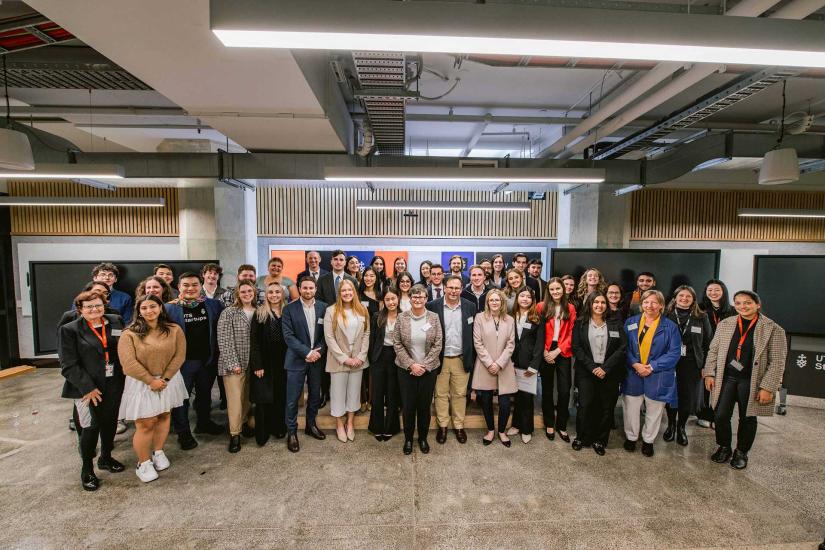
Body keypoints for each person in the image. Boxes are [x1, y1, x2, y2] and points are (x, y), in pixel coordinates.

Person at [704, 290, 787, 470]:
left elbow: (777, 362)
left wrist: (768, 387)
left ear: (758, 305)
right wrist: (709, 373)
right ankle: (724, 447)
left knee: (747, 417)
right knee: (720, 415)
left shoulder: (773, 329)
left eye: (748, 302)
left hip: (751, 380)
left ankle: (741, 452)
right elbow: (713, 350)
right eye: (739, 303)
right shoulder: (726, 324)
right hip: (727, 378)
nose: (743, 306)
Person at [59, 290, 126, 491]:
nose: (94, 309)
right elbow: (68, 364)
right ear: (80, 309)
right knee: (90, 427)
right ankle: (87, 469)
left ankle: (106, 457)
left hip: (113, 382)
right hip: (85, 388)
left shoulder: (115, 321)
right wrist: (88, 388)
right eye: (89, 307)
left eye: (98, 305)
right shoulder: (70, 330)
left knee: (110, 421)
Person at [117, 295, 187, 483]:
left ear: (160, 307)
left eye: (153, 306)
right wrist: (150, 381)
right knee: (146, 423)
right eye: (144, 308)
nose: (149, 311)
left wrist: (165, 378)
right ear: (139, 311)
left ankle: (158, 451)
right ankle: (143, 463)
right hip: (142, 382)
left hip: (168, 380)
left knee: (164, 415)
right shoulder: (129, 333)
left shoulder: (174, 329)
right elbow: (128, 363)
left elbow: (179, 355)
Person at [165, 272, 225, 450]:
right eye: (186, 285)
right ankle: (184, 433)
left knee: (205, 394)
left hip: (207, 360)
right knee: (182, 399)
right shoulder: (169, 309)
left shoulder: (214, 305)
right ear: (179, 287)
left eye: (194, 285)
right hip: (183, 363)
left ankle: (204, 423)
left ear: (200, 286)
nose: (190, 288)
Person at [622, 289, 681, 457]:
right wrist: (635, 364)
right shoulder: (631, 322)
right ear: (641, 304)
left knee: (654, 410)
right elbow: (623, 347)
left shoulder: (670, 327)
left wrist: (651, 367)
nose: (650, 305)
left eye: (654, 302)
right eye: (646, 302)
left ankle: (648, 441)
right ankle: (631, 437)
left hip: (658, 374)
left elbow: (674, 353)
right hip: (633, 372)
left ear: (661, 305)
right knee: (631, 408)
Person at [571, 291, 627, 456]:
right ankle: (581, 437)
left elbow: (622, 347)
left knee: (606, 408)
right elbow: (576, 348)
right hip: (586, 370)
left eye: (602, 302)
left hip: (609, 371)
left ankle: (600, 440)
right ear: (590, 304)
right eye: (596, 302)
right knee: (585, 405)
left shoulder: (615, 322)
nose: (599, 305)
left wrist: (605, 368)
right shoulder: (580, 323)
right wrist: (592, 367)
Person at [426, 275, 477, 445]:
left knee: (460, 394)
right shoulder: (432, 306)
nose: (454, 291)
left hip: (461, 358)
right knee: (440, 394)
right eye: (450, 287)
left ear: (461, 289)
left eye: (457, 288)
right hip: (439, 358)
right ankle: (442, 426)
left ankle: (459, 426)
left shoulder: (470, 306)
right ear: (444, 288)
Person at [393, 284, 443, 455]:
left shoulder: (434, 317)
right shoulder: (401, 317)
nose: (418, 299)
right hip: (406, 370)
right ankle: (408, 439)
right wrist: (411, 365)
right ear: (410, 299)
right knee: (408, 407)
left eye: (421, 296)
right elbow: (397, 343)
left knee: (424, 406)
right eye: (414, 296)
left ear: (426, 298)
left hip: (428, 371)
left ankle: (422, 438)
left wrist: (424, 366)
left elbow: (438, 343)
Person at [282, 275, 328, 453]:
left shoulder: (324, 308)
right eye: (305, 288)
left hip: (317, 360)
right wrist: (307, 353)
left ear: (315, 289)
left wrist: (318, 353)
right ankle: (292, 432)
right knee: (292, 399)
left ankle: (311, 425)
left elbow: (327, 335)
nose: (308, 291)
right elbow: (288, 336)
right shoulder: (289, 309)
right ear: (299, 289)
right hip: (296, 360)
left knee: (315, 396)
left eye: (311, 288)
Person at [663, 286, 712, 446]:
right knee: (671, 395)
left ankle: (681, 427)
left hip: (692, 364)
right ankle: (670, 425)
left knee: (686, 397)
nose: (684, 299)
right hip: (669, 362)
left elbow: (708, 343)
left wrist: (706, 366)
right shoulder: (666, 315)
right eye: (681, 296)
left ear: (693, 299)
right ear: (675, 298)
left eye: (688, 296)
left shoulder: (701, 317)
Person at [324, 279, 370, 443]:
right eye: (343, 290)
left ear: (354, 292)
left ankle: (350, 423)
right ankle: (339, 424)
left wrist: (361, 356)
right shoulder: (331, 311)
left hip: (358, 360)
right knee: (337, 394)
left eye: (349, 290)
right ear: (339, 293)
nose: (347, 293)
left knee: (354, 393)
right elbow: (329, 338)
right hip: (338, 359)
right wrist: (344, 359)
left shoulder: (362, 309)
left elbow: (367, 334)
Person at [472, 289, 516, 447]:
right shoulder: (479, 318)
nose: (494, 302)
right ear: (487, 302)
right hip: (485, 365)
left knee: (505, 402)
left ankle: (502, 431)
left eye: (497, 300)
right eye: (491, 300)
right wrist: (490, 363)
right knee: (486, 399)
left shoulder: (509, 320)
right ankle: (490, 430)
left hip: (504, 365)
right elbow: (477, 342)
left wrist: (499, 363)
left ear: (502, 302)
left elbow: (511, 344)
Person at [217, 281, 257, 453]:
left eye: (249, 291)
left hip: (252, 364)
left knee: (246, 398)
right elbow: (224, 340)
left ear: (254, 292)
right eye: (243, 291)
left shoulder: (258, 311)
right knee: (235, 401)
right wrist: (233, 363)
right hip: (234, 365)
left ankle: (244, 423)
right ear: (238, 294)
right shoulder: (229, 312)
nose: (247, 294)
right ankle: (235, 434)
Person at [536, 277, 576, 442]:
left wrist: (558, 350)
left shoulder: (570, 308)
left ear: (563, 289)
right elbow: (538, 331)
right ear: (548, 291)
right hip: (546, 349)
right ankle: (549, 424)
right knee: (547, 389)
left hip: (563, 350)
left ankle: (561, 425)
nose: (555, 292)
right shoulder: (541, 306)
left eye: (558, 288)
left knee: (565, 390)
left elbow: (572, 332)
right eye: (552, 289)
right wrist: (545, 351)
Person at [249, 282, 288, 446]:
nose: (274, 295)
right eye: (270, 292)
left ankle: (278, 427)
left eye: (277, 292)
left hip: (284, 360)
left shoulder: (287, 312)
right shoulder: (260, 313)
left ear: (282, 294)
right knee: (264, 398)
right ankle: (263, 432)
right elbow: (254, 341)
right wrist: (257, 365)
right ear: (266, 295)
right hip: (265, 361)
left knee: (280, 396)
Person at [696, 279, 736, 427]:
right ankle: (704, 414)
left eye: (717, 290)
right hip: (707, 352)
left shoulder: (733, 311)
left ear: (723, 291)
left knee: (722, 385)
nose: (713, 293)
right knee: (705, 384)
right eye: (710, 290)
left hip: (727, 353)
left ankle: (718, 416)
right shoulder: (700, 309)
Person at [506, 288, 542, 444]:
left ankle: (527, 429)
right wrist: (508, 361)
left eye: (528, 297)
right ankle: (516, 425)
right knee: (517, 395)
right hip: (512, 361)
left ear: (532, 300)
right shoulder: (510, 316)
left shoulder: (537, 318)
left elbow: (540, 343)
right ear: (517, 298)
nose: (525, 299)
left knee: (527, 396)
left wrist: (534, 365)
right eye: (522, 296)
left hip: (529, 363)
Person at [368, 287, 401, 441]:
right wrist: (372, 358)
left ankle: (391, 427)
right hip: (379, 357)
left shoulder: (404, 316)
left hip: (397, 357)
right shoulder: (377, 316)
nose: (391, 302)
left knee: (393, 393)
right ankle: (377, 427)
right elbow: (372, 340)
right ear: (383, 301)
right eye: (387, 299)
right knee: (377, 394)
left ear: (398, 298)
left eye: (393, 298)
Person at [358, 266, 382, 411]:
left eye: (372, 276)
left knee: (373, 370)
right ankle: (362, 399)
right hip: (360, 336)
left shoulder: (380, 295)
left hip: (376, 337)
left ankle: (372, 400)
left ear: (376, 278)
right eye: (366, 275)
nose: (369, 278)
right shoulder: (358, 295)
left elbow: (382, 317)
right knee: (361, 369)